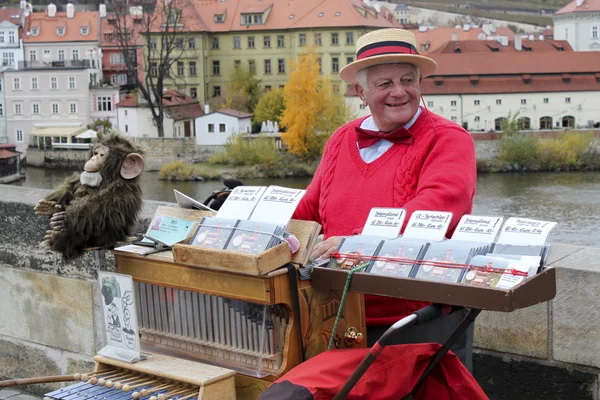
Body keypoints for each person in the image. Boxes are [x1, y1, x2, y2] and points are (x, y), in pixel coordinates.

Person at [292, 28, 477, 370]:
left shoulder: (450, 139)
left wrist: (354, 244)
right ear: (361, 91)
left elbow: (434, 212)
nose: (399, 92)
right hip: (335, 313)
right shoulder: (341, 138)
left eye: (408, 80)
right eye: (384, 84)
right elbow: (307, 212)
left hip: (417, 320)